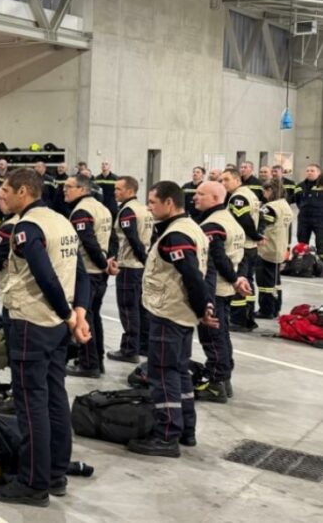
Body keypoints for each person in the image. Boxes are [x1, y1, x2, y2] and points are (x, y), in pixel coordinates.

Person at [0, 168, 90, 507]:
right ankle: (56, 471)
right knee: (54, 396)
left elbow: (46, 277)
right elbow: (80, 273)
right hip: (57, 326)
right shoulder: (62, 221)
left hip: (33, 322)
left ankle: (33, 483)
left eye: (7, 190)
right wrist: (79, 313)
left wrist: (66, 313)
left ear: (24, 191)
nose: (3, 196)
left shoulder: (27, 228)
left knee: (31, 405)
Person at [128, 181, 215, 458]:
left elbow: (191, 275)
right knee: (179, 372)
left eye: (152, 202)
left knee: (162, 375)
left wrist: (204, 309)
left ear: (169, 203)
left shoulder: (175, 236)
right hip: (181, 313)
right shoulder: (191, 228)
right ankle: (186, 429)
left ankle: (166, 435)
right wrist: (203, 307)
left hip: (169, 314)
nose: (149, 207)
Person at [193, 181, 248, 403]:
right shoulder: (230, 220)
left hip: (215, 289)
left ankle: (216, 383)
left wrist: (234, 280)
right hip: (226, 287)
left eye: (200, 194)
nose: (195, 197)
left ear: (215, 198)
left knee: (212, 336)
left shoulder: (212, 225)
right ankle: (224, 379)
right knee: (222, 334)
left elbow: (216, 259)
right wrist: (238, 278)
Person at [63, 174, 112, 378]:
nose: (64, 189)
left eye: (69, 186)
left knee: (85, 318)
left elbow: (89, 242)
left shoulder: (82, 211)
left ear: (82, 190)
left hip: (90, 272)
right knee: (94, 316)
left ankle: (88, 363)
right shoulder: (101, 207)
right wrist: (107, 262)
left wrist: (102, 264)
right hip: (99, 272)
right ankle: (97, 360)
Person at [106, 176, 154, 364]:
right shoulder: (144, 209)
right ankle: (143, 345)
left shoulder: (128, 211)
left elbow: (133, 240)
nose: (115, 192)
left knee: (128, 309)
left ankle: (129, 349)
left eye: (118, 189)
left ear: (129, 191)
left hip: (130, 266)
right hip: (141, 266)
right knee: (142, 309)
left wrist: (142, 258)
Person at [221, 169, 262, 331]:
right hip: (250, 247)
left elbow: (243, 220)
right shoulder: (249, 193)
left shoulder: (238, 197)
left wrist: (256, 236)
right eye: (221, 180)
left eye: (227, 180)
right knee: (248, 282)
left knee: (239, 282)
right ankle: (248, 316)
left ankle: (238, 319)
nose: (223, 183)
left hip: (243, 246)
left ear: (237, 180)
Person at [256, 181, 293, 320]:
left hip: (267, 248)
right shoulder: (286, 206)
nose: (263, 194)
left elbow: (262, 224)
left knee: (265, 282)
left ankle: (266, 310)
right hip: (280, 247)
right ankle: (276, 308)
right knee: (276, 282)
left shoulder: (270, 207)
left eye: (264, 191)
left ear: (270, 190)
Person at [295, 164, 323, 257]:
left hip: (320, 219)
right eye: (307, 170)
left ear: (319, 173)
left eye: (312, 170)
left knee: (321, 244)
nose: (309, 172)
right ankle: (303, 265)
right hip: (304, 219)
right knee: (302, 243)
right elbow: (295, 200)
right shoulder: (299, 186)